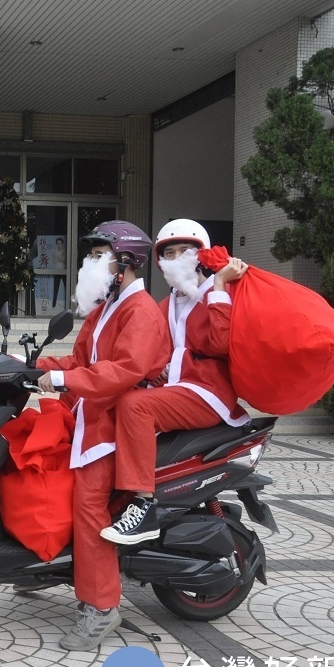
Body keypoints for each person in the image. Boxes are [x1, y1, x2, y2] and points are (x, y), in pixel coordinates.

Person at [29, 220, 171, 651]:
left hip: (112, 428)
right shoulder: (106, 309)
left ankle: (102, 607)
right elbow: (78, 359)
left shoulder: (141, 312)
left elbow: (122, 371)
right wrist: (29, 365)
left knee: (90, 507)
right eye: (90, 254)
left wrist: (64, 381)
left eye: (97, 255)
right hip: (92, 419)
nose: (89, 262)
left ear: (123, 263)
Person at [100, 219, 249, 545]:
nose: (177, 257)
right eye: (169, 252)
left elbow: (220, 344)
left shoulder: (215, 293)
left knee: (133, 407)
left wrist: (221, 284)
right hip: (174, 392)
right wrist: (157, 368)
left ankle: (144, 505)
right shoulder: (166, 305)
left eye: (186, 250)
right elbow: (151, 353)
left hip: (207, 394)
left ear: (201, 255)